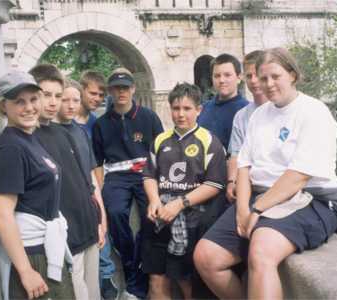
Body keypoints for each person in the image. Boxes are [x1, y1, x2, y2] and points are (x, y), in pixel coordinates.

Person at [194, 48, 337, 299]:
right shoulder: (259, 116)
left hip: (308, 199)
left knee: (261, 251)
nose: (268, 84)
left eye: (276, 76)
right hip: (260, 196)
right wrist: (243, 208)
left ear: (293, 75)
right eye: (263, 78)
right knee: (206, 256)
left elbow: (299, 175)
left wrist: (256, 209)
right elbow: (244, 165)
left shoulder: (314, 112)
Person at [0, 71, 75, 300]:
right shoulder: (11, 147)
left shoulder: (28, 137)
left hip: (46, 248)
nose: (29, 107)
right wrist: (26, 271)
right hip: (32, 254)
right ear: (3, 107)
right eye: (19, 101)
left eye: (33, 99)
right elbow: (2, 214)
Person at [142, 83, 226, 299]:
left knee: (187, 282)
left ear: (199, 110)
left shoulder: (210, 141)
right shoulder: (160, 140)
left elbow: (215, 184)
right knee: (157, 278)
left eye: (187, 109)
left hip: (191, 221)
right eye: (176, 108)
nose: (180, 114)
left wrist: (180, 203)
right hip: (159, 219)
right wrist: (153, 200)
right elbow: (149, 175)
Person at [29, 64, 104, 300]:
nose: (53, 102)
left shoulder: (64, 133)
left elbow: (87, 182)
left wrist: (99, 219)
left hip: (89, 227)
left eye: (57, 96)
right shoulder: (28, 138)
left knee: (94, 292)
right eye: (46, 95)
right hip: (65, 238)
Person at [92, 67, 164, 299]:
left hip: (145, 175)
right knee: (115, 213)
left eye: (125, 87)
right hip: (117, 178)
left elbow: (159, 151)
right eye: (116, 88)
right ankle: (131, 263)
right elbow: (98, 161)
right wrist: (100, 191)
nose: (121, 92)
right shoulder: (101, 124)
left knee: (150, 218)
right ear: (110, 91)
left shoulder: (148, 117)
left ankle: (141, 272)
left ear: (133, 89)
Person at [61, 75, 119, 300]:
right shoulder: (60, 129)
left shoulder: (93, 124)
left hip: (91, 196)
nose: (97, 98)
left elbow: (94, 166)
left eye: (101, 95)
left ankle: (107, 277)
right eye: (93, 93)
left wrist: (98, 198)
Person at [226, 50, 268, 202]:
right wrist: (231, 181)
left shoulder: (280, 109)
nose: (254, 80)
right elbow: (236, 153)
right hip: (248, 187)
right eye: (249, 76)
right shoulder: (241, 115)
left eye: (257, 75)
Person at [198, 53, 249, 151]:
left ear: (239, 78)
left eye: (227, 75)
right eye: (217, 76)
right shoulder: (203, 109)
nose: (221, 80)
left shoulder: (247, 111)